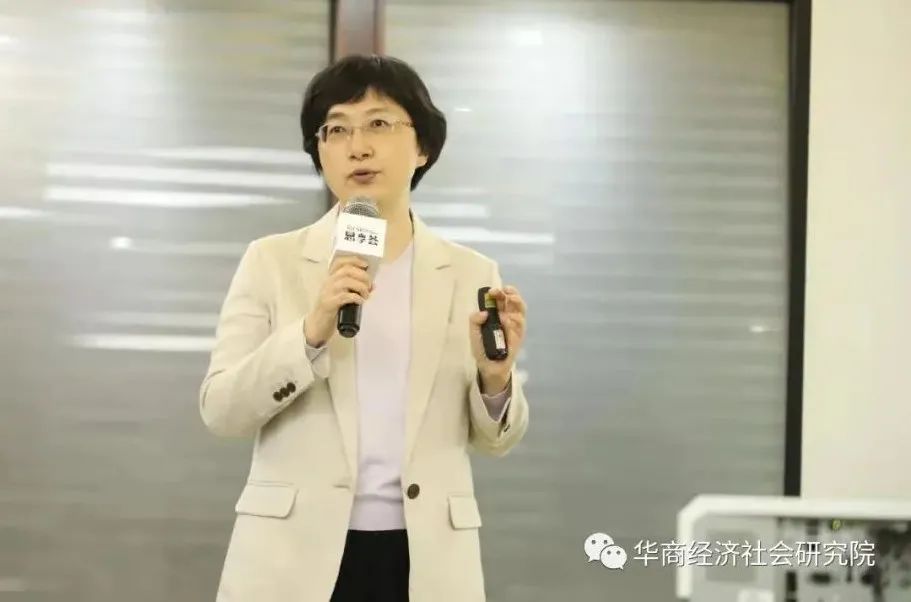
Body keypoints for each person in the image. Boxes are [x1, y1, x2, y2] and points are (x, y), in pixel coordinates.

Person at [198, 54, 530, 602]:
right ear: (320, 152)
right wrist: (311, 332)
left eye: (379, 123)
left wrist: (496, 379)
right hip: (292, 558)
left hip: (425, 561)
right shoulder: (272, 261)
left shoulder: (471, 273)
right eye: (337, 129)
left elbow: (498, 440)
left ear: (422, 148)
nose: (358, 146)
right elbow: (222, 410)